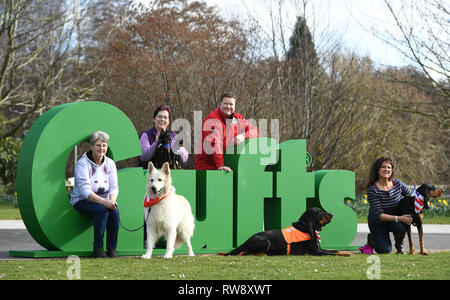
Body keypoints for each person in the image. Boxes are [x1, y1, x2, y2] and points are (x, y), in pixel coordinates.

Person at [70, 131, 120, 258]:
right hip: (82, 201)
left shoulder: (110, 163)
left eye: (104, 145)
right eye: (98, 145)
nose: (101, 148)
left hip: (104, 201)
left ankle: (112, 248)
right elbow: (85, 191)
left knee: (114, 211)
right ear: (91, 146)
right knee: (102, 209)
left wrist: (112, 201)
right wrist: (104, 202)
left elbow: (114, 187)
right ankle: (98, 249)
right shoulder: (82, 164)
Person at [194, 93, 259, 171]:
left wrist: (242, 136)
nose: (228, 107)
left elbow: (255, 131)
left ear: (235, 106)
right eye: (225, 104)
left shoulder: (238, 118)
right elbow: (215, 144)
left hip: (226, 164)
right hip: (207, 166)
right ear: (220, 104)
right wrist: (220, 165)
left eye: (231, 104)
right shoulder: (212, 119)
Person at [365, 155, 413, 254]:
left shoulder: (398, 184)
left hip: (394, 222)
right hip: (377, 222)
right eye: (383, 167)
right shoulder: (372, 189)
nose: (386, 169)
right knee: (385, 250)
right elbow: (379, 215)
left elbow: (412, 197)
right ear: (377, 169)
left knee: (401, 227)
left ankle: (399, 245)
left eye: (389, 167)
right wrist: (400, 218)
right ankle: (372, 239)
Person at [138, 105, 188, 169]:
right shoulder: (146, 135)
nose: (162, 119)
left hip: (170, 175)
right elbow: (144, 157)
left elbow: (185, 159)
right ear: (154, 119)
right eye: (160, 116)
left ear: (169, 121)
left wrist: (178, 148)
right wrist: (156, 142)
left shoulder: (175, 137)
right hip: (149, 175)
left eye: (165, 117)